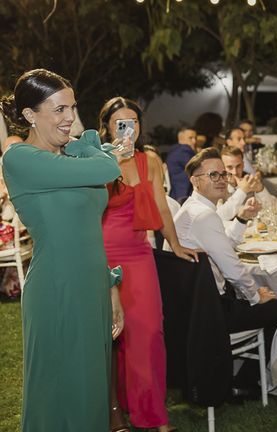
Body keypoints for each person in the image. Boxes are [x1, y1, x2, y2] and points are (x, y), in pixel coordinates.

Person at [0, 69, 125, 431]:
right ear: (29, 115)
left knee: (90, 389)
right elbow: (109, 165)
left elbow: (89, 233)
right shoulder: (20, 158)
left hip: (91, 287)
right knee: (58, 390)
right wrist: (86, 145)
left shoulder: (70, 158)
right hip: (56, 289)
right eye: (58, 110)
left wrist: (110, 286)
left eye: (72, 107)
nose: (69, 117)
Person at [99, 97, 198, 432]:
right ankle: (118, 408)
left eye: (134, 122)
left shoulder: (150, 160)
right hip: (102, 253)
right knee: (113, 336)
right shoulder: (96, 161)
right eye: (120, 122)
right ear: (108, 126)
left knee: (150, 332)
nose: (129, 128)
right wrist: (109, 162)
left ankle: (152, 414)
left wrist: (175, 244)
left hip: (139, 253)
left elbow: (161, 207)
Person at [170, 147, 277, 396]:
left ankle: (247, 377)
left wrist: (240, 219)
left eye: (222, 174)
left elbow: (222, 248)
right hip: (211, 313)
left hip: (191, 308)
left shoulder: (196, 208)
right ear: (195, 180)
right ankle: (252, 379)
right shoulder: (203, 215)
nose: (221, 180)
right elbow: (233, 269)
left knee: (265, 298)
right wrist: (254, 297)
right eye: (213, 175)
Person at [221, 146, 273, 210]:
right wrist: (241, 190)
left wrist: (261, 190)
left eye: (238, 166)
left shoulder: (250, 181)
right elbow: (223, 214)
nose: (235, 172)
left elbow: (271, 208)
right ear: (222, 168)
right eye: (229, 167)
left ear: (243, 165)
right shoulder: (218, 185)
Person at [166, 127, 197, 202]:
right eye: (190, 138)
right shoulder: (185, 151)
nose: (194, 141)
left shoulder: (173, 152)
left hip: (175, 195)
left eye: (195, 138)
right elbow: (198, 168)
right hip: (184, 196)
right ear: (180, 138)